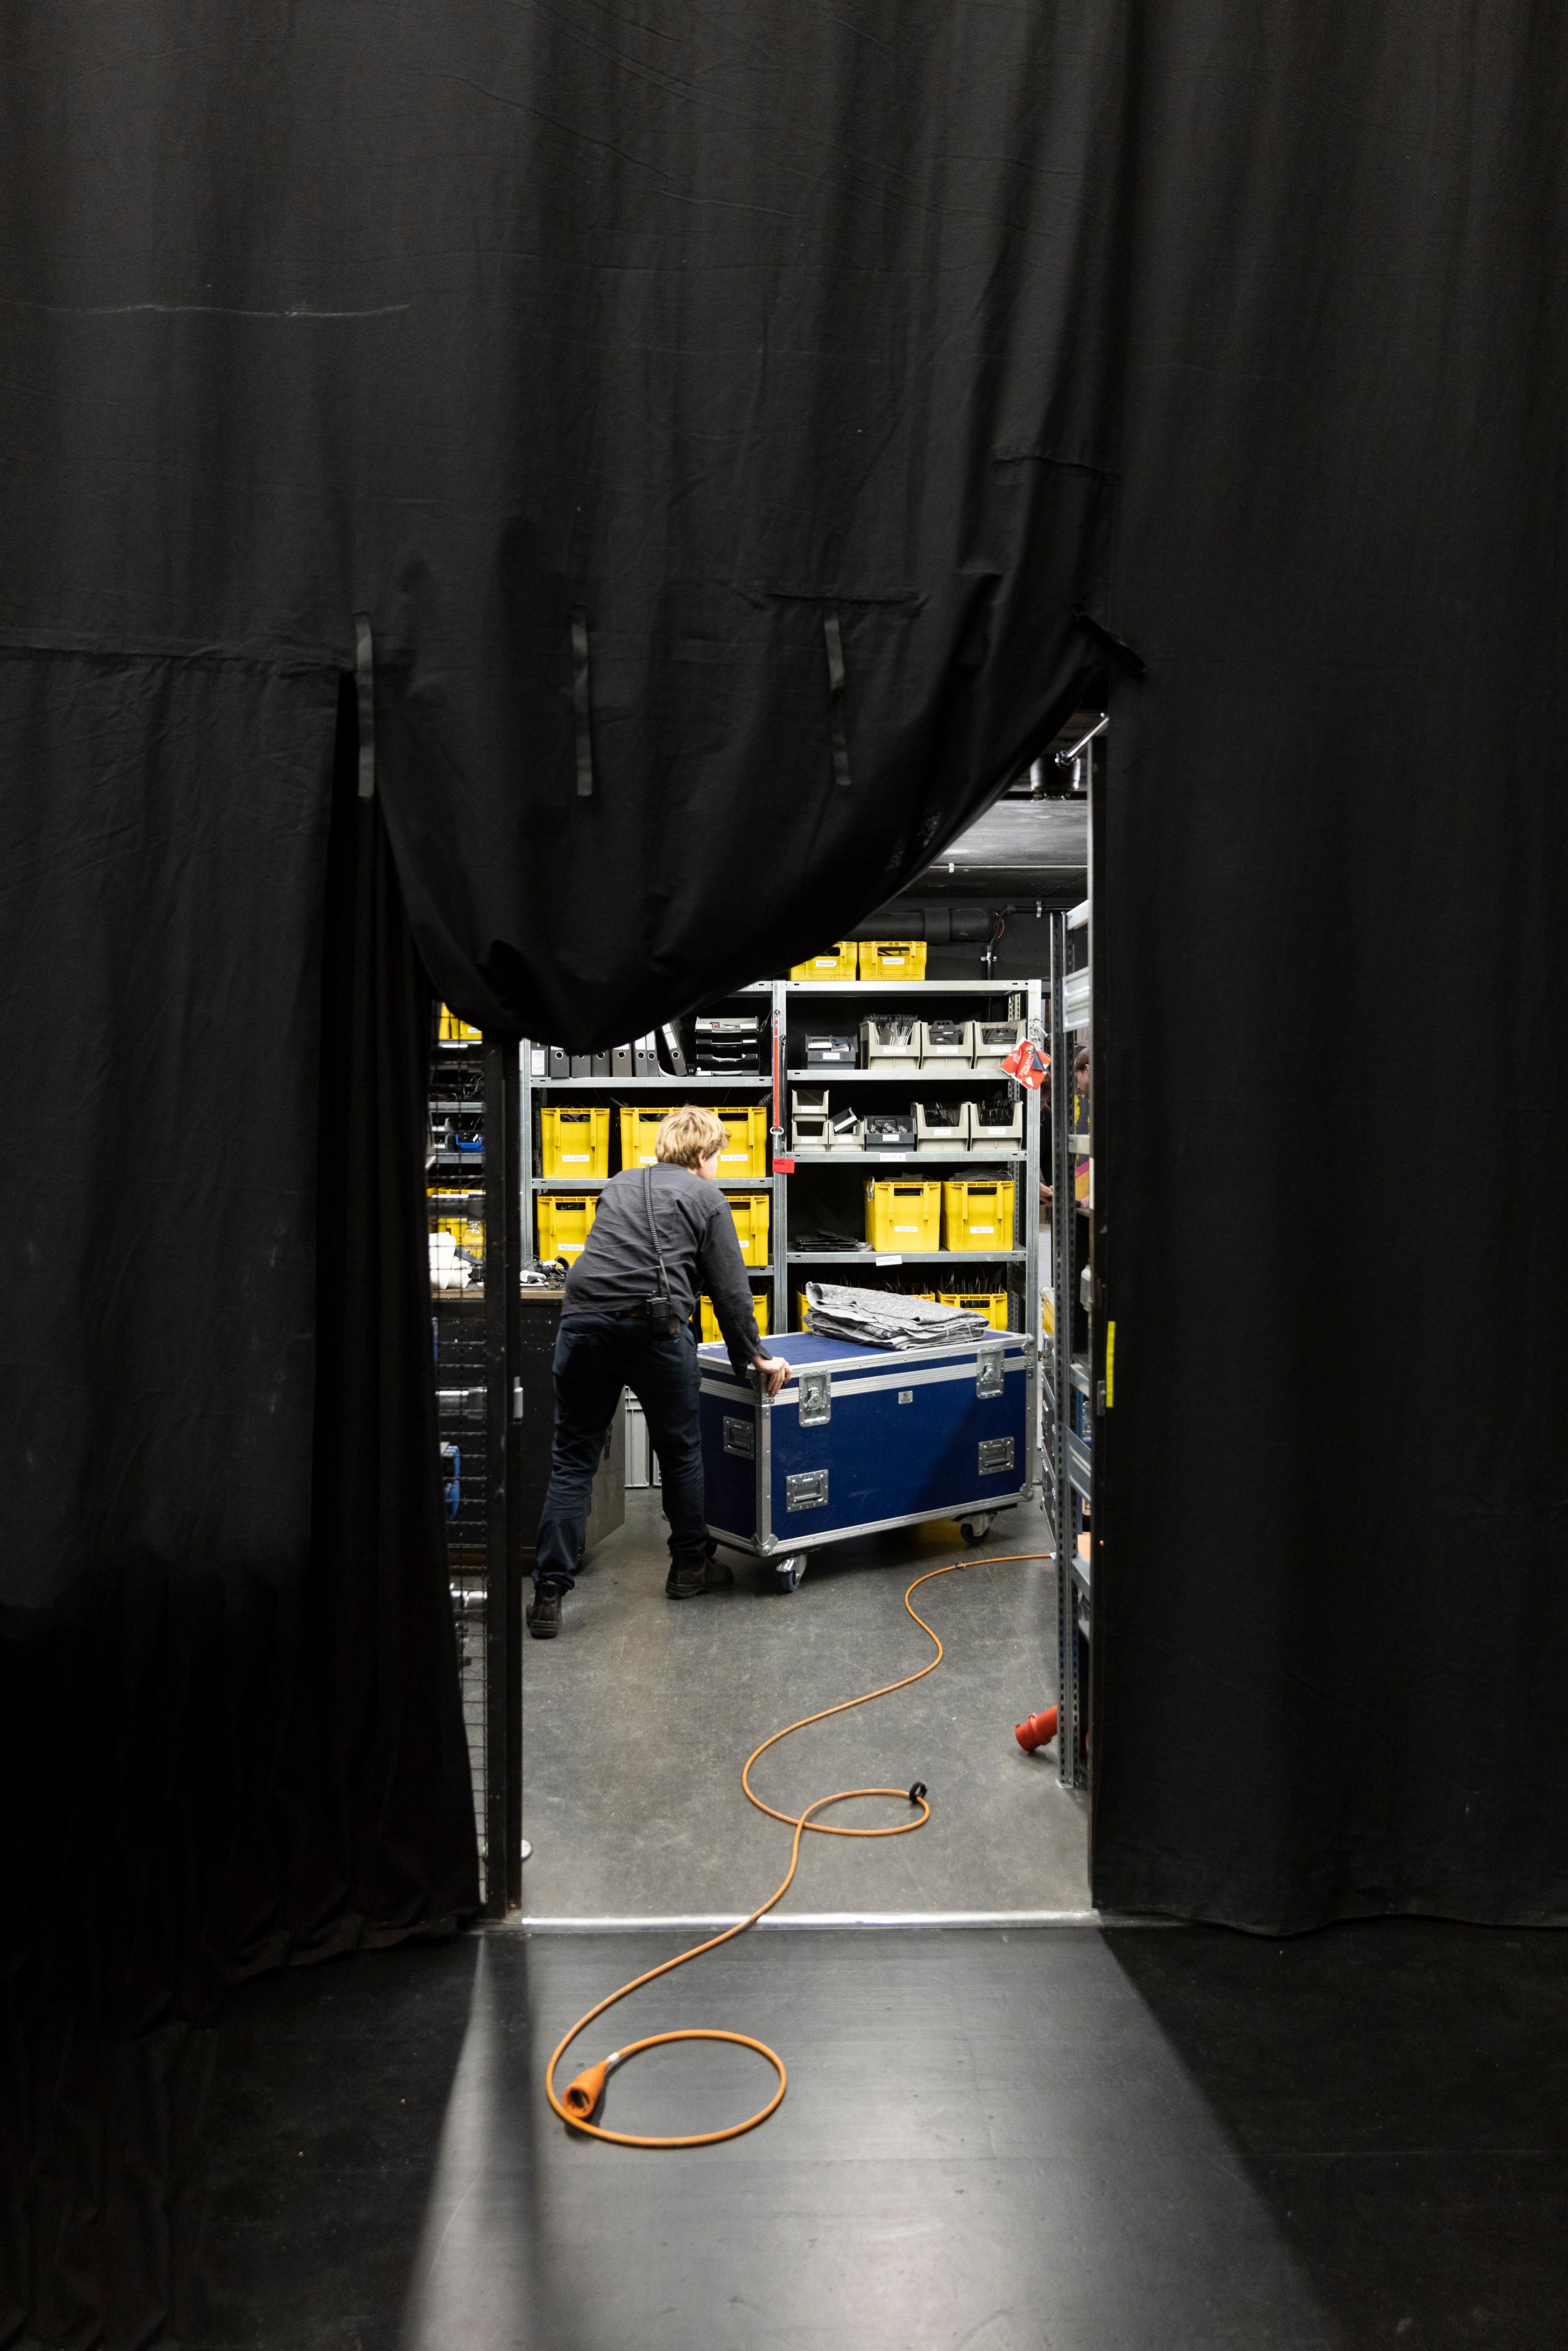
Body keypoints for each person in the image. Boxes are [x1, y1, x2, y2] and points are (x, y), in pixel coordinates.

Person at [527, 1105, 792, 1638]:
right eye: (718, 1154)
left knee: (574, 1457)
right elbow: (730, 1291)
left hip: (581, 1323)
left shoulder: (621, 1183)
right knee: (679, 1451)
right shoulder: (706, 1198)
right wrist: (756, 1356)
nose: (720, 1164)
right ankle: (690, 1568)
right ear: (702, 1154)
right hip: (653, 1329)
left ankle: (549, 1590)